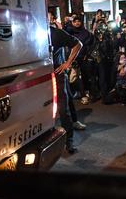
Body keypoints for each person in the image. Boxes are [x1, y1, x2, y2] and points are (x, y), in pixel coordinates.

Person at [49, 13, 84, 154]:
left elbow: (78, 44)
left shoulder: (56, 34)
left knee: (63, 109)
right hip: (41, 77)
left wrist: (67, 63)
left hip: (57, 75)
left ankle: (68, 141)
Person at [66, 15, 98, 104]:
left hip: (83, 58)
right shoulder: (69, 32)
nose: (77, 23)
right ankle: (77, 93)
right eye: (75, 21)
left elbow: (91, 45)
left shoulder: (86, 33)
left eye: (78, 21)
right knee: (72, 78)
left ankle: (85, 95)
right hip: (72, 59)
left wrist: (87, 55)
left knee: (85, 76)